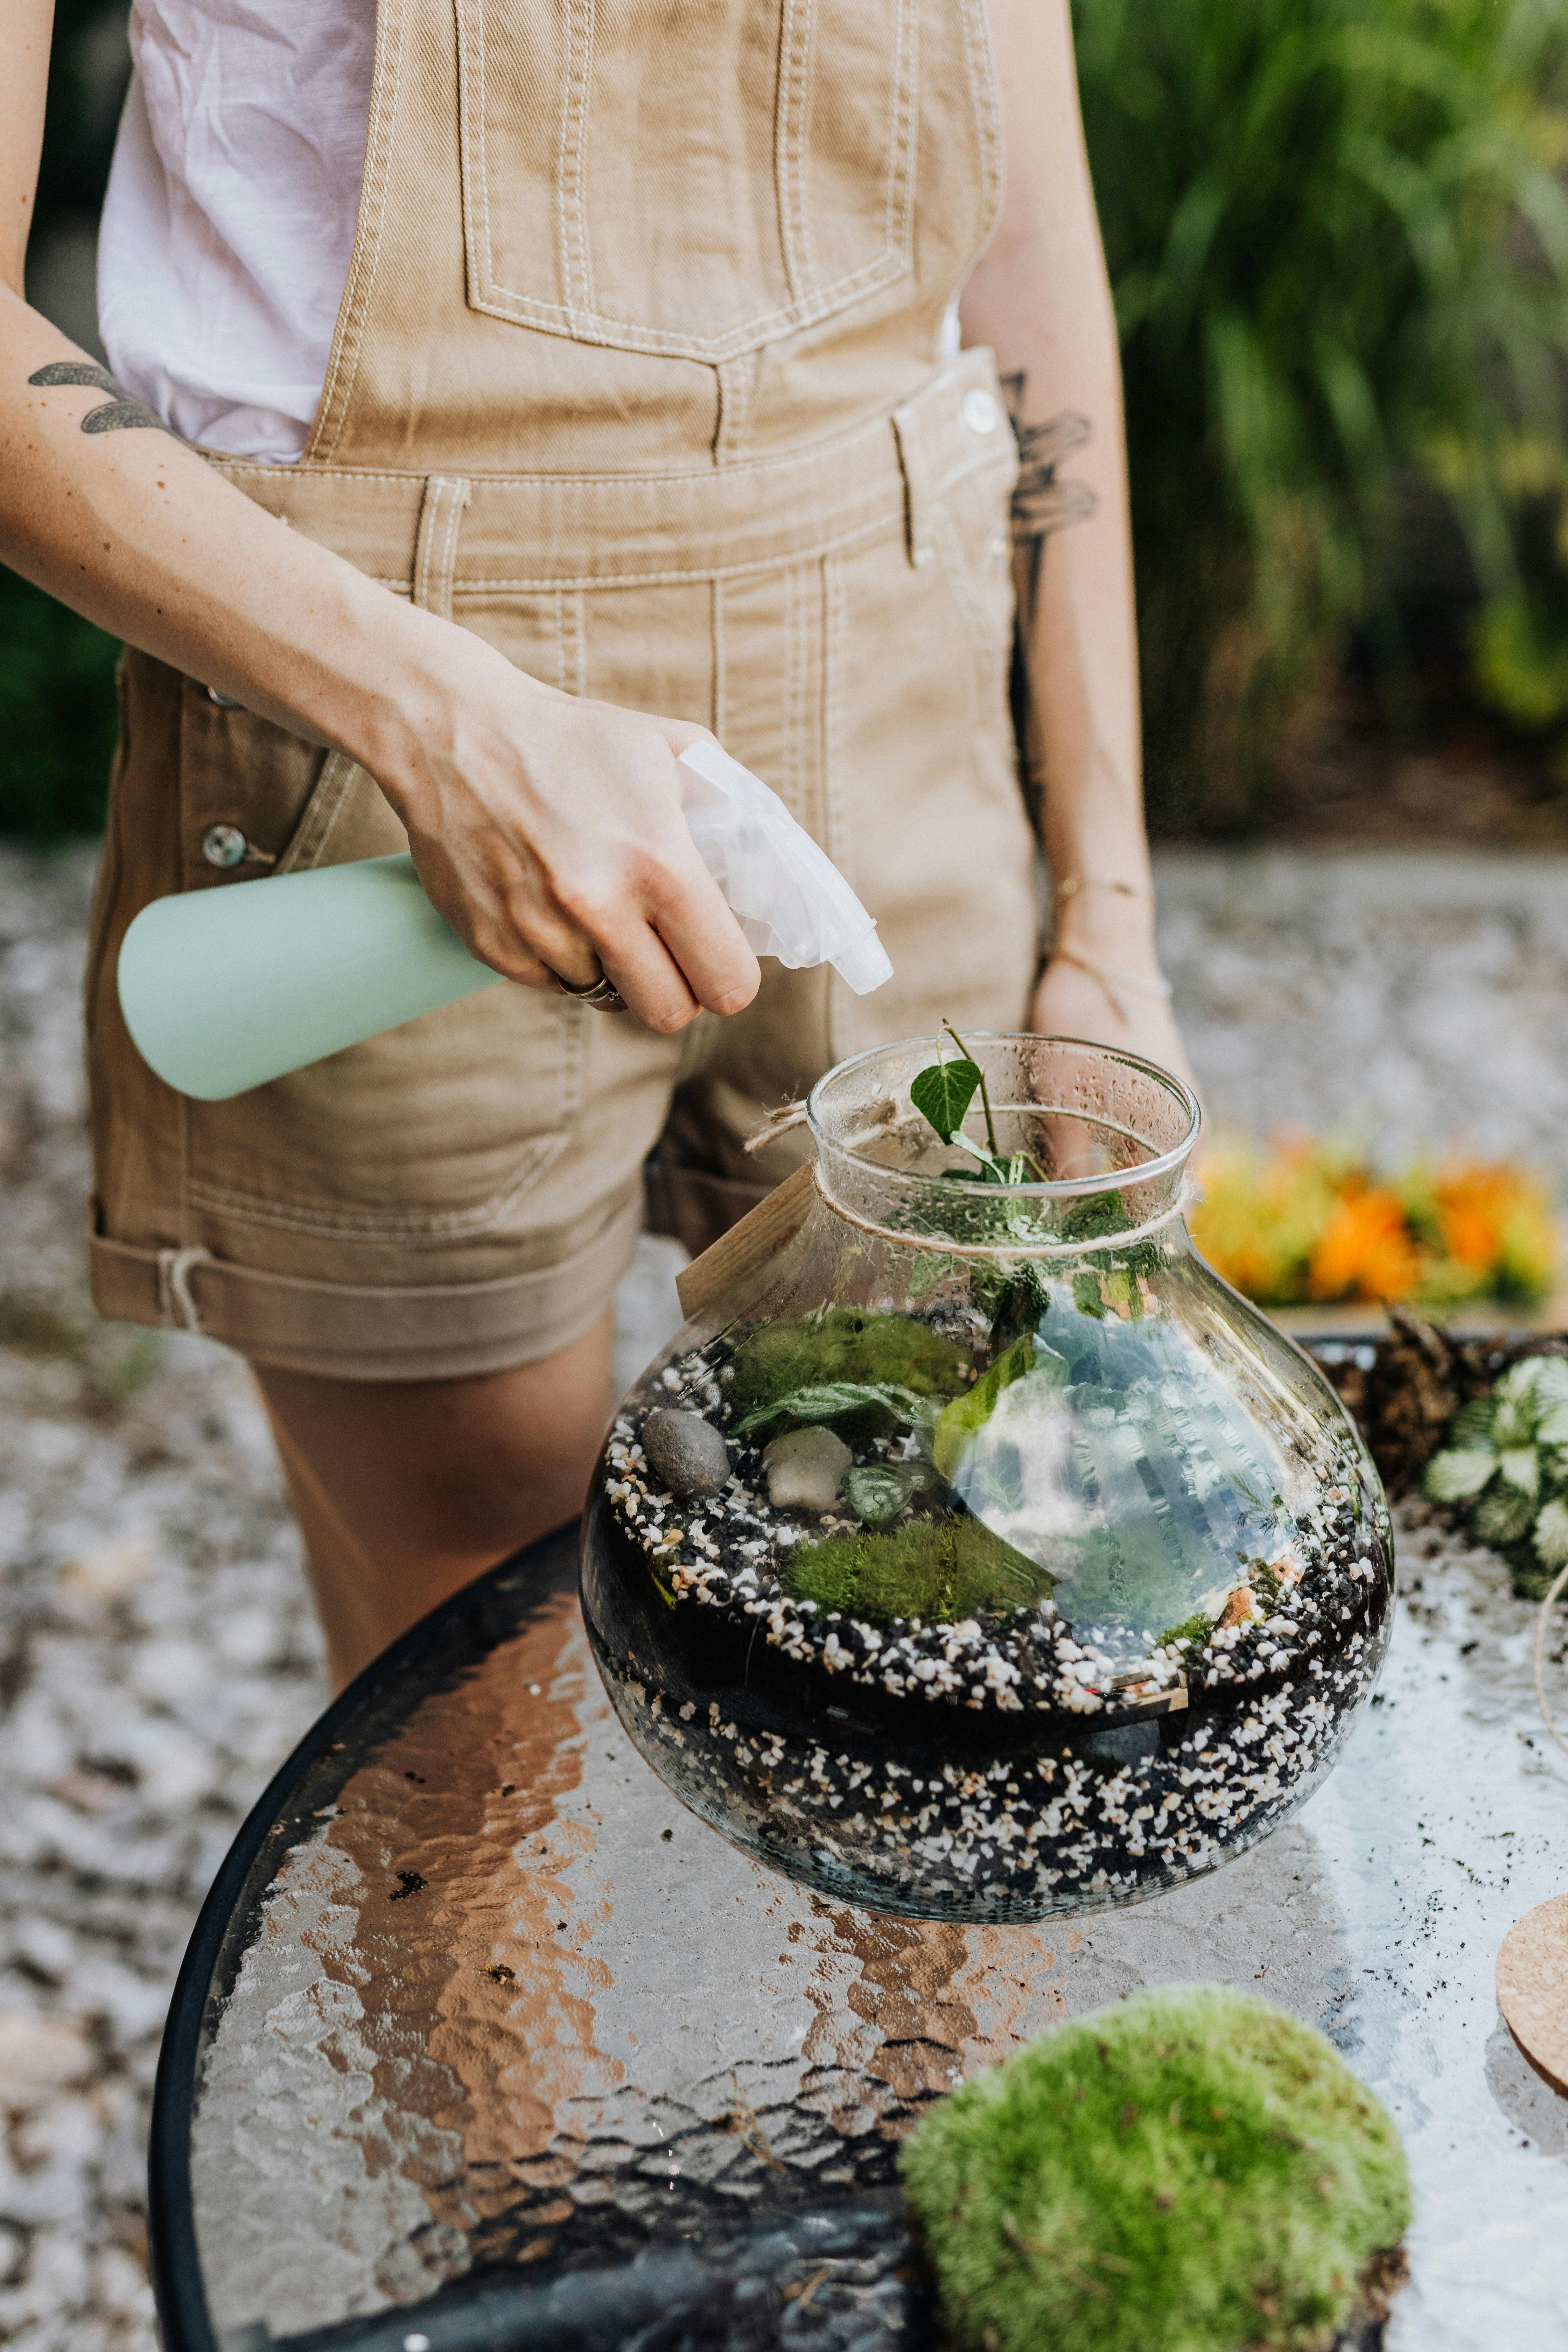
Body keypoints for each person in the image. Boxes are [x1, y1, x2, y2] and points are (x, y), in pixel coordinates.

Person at [2, 0, 1191, 1688]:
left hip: (902, 698)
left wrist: (1107, 924)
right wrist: (444, 728)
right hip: (375, 754)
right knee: (477, 1713)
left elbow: (1028, 263)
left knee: (955, 1656)